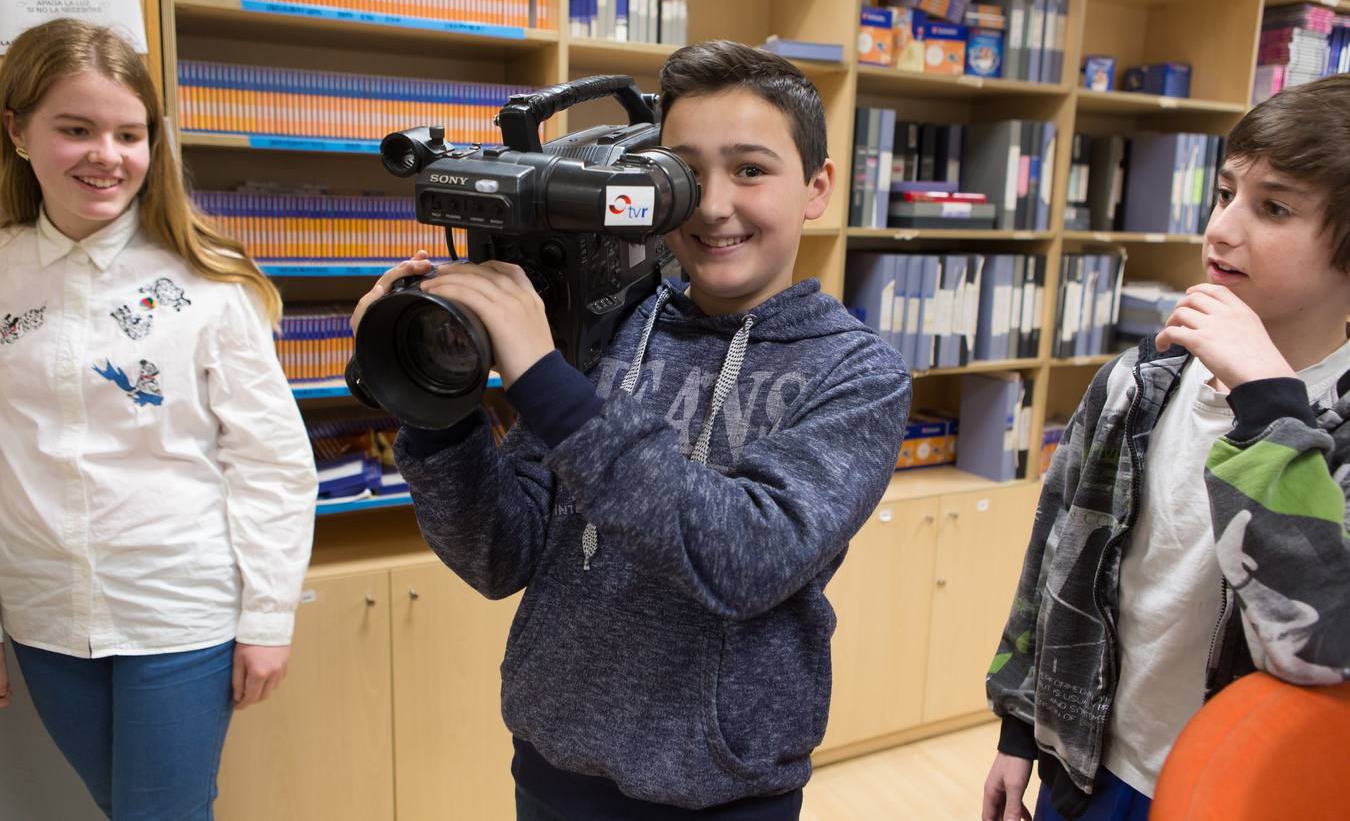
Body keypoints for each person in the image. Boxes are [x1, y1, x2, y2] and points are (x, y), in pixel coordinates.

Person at [350, 40, 911, 819]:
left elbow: (746, 559)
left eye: (750, 170)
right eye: (683, 173)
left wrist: (547, 381)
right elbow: (498, 553)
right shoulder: (609, 327)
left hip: (720, 792)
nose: (714, 206)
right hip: (550, 768)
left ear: (816, 188)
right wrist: (437, 412)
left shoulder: (857, 376)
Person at [982, 73, 1350, 821]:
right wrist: (1019, 726)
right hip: (1084, 763)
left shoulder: (1333, 422)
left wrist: (1268, 408)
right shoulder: (1136, 381)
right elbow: (1056, 554)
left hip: (1240, 791)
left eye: (1273, 207)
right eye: (1225, 193)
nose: (1221, 228)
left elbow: (1321, 645)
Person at [0, 18, 317, 819]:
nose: (106, 155)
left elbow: (271, 463)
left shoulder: (209, 286)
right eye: (76, 129)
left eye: (129, 133)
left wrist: (268, 618)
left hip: (179, 611)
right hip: (41, 614)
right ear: (18, 131)